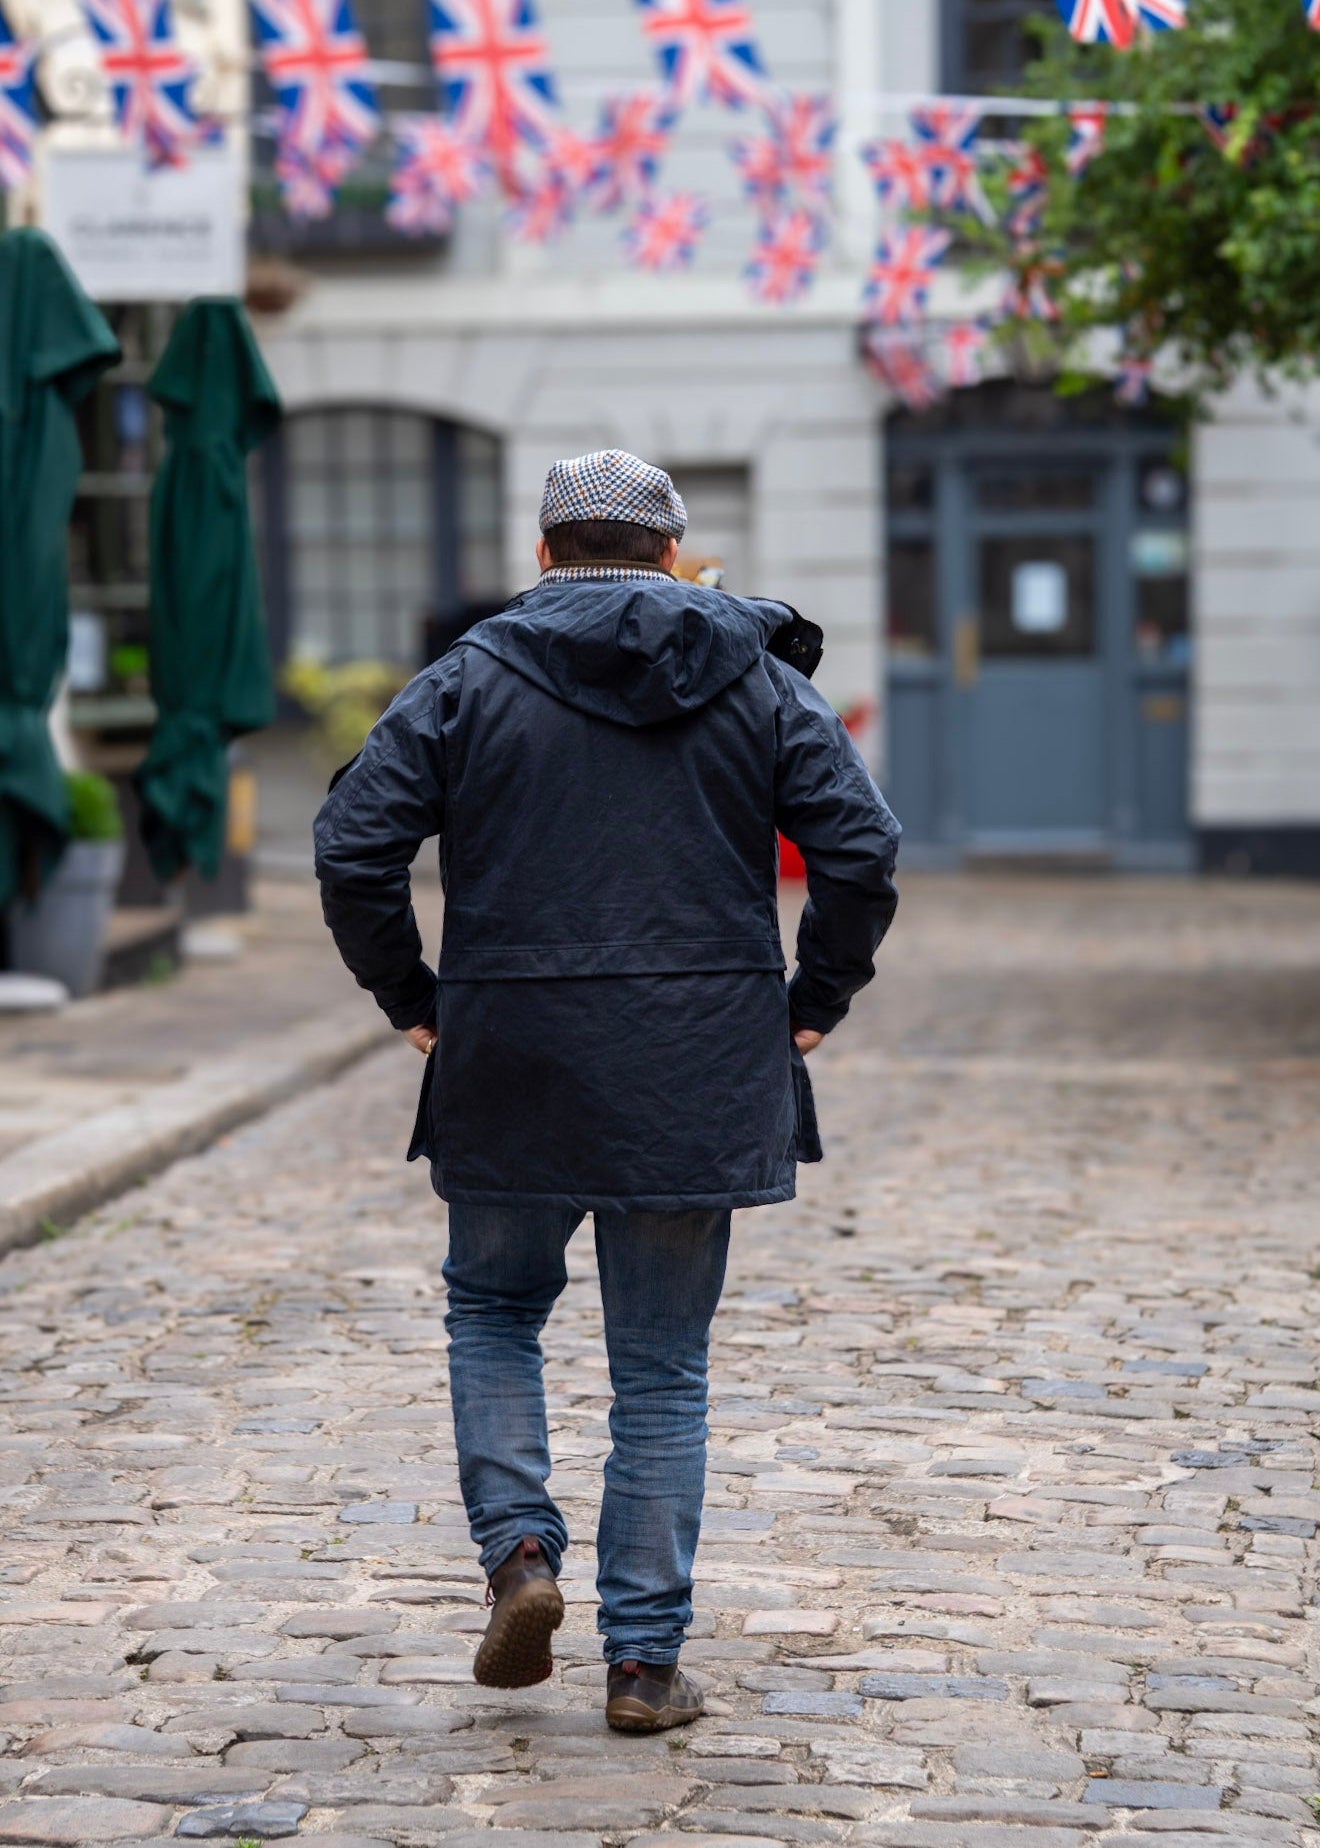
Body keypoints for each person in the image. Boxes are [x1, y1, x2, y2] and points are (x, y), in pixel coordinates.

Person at [314, 449, 900, 1732]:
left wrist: (416, 999)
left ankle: (520, 1557)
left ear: (542, 555)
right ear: (677, 557)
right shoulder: (755, 678)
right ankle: (642, 1666)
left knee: (494, 1312)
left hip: (513, 1054)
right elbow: (862, 847)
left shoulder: (470, 676)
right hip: (694, 1062)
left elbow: (355, 843)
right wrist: (812, 1002)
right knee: (662, 1370)